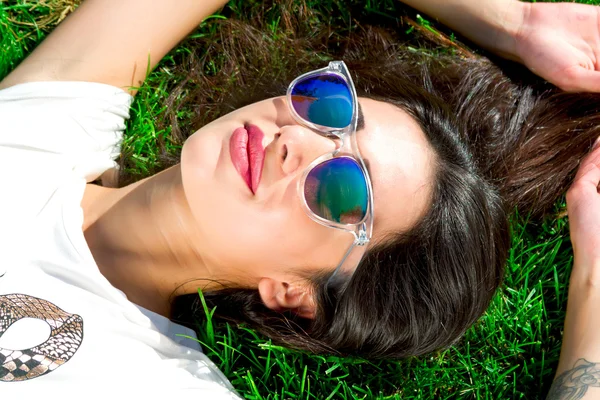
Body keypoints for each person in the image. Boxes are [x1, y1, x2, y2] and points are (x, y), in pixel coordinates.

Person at [0, 0, 598, 397]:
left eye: (340, 188)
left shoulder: (151, 380)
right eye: (328, 109)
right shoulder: (43, 132)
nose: (296, 141)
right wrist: (517, 20)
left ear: (295, 293)